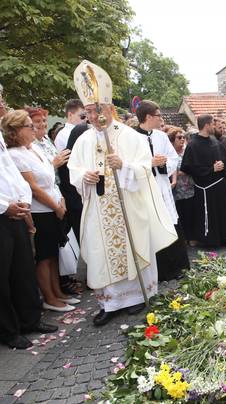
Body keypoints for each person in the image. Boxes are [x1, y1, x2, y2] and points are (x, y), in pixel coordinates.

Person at [68, 60, 177, 326]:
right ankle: (110, 303)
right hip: (99, 205)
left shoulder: (130, 136)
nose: (94, 117)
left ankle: (138, 296)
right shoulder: (84, 139)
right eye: (90, 112)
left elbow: (145, 168)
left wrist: (124, 166)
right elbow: (73, 169)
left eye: (99, 111)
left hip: (128, 203)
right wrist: (85, 176)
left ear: (111, 109)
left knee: (133, 247)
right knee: (100, 251)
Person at [6, 110, 78, 312]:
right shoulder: (15, 154)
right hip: (41, 210)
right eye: (29, 126)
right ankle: (49, 297)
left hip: (53, 206)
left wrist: (60, 200)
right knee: (44, 256)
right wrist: (56, 206)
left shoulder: (33, 149)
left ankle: (58, 292)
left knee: (54, 253)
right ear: (16, 131)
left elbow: (50, 178)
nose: (34, 128)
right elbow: (34, 188)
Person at [1, 111, 58, 349]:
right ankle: (8, 331)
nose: (2, 103)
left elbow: (11, 177)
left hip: (18, 212)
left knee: (22, 271)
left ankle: (30, 319)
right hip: (3, 214)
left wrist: (23, 201)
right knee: (3, 278)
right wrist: (5, 206)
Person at [135, 100, 189, 281]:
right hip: (146, 188)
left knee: (171, 224)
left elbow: (173, 157)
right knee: (154, 228)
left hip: (162, 185)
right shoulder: (133, 138)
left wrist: (164, 163)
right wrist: (150, 164)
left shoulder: (160, 136)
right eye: (159, 115)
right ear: (148, 117)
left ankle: (178, 266)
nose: (161, 119)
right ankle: (161, 271)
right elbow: (129, 165)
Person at [181, 114, 226, 248]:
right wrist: (211, 169)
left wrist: (222, 165)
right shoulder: (193, 145)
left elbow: (225, 157)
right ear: (206, 125)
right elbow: (188, 168)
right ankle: (211, 240)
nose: (214, 127)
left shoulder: (214, 140)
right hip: (206, 187)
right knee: (210, 215)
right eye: (212, 124)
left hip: (220, 184)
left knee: (224, 212)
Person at [168, 127, 195, 245]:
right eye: (179, 137)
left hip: (189, 187)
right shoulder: (169, 153)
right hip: (176, 189)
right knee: (180, 214)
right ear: (173, 140)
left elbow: (193, 166)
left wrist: (181, 171)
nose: (182, 139)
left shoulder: (187, 151)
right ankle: (183, 238)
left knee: (190, 213)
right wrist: (180, 172)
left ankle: (191, 236)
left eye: (183, 137)